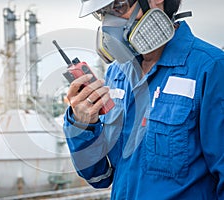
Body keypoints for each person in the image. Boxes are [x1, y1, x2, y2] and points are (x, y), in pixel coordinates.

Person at [63, 0, 224, 199]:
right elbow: (99, 177)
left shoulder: (211, 68)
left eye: (118, 7)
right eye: (102, 13)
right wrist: (82, 124)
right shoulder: (117, 73)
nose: (108, 23)